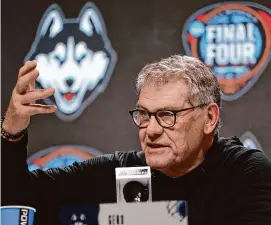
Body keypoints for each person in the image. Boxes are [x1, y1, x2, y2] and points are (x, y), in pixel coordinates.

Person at [2, 55, 271, 225]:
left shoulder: (243, 172)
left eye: (167, 115)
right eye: (144, 114)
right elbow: (18, 197)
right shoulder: (125, 173)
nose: (151, 130)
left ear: (210, 118)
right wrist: (11, 131)